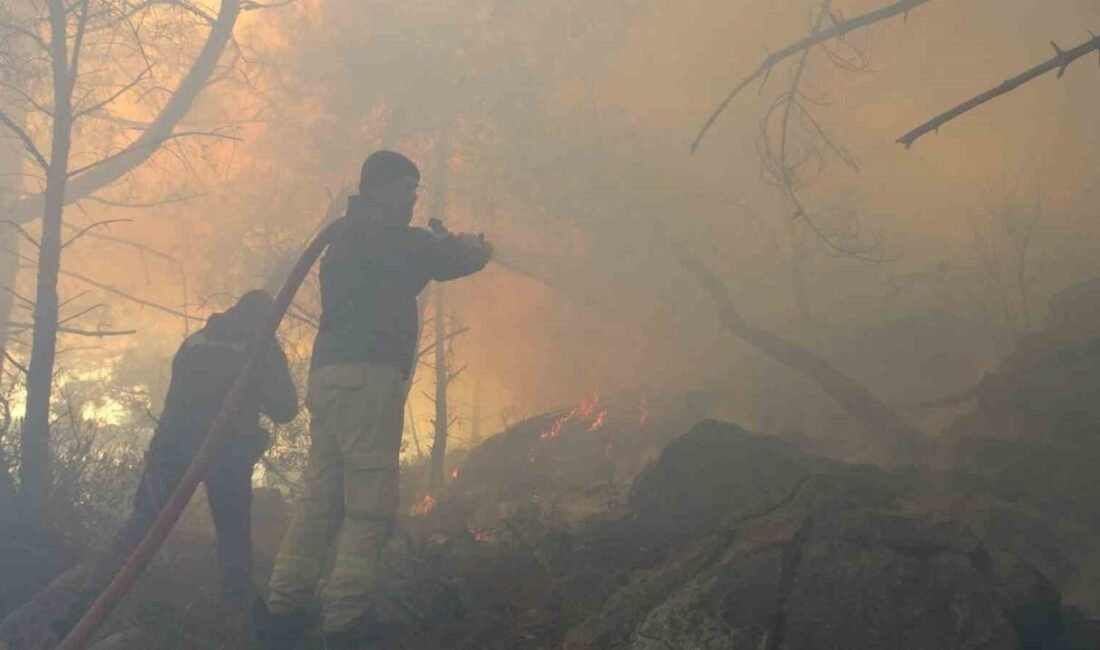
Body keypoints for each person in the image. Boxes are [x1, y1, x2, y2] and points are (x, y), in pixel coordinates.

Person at [265, 150, 492, 649]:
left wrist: (432, 245)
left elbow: (409, 268)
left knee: (320, 500)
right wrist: (475, 247)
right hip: (368, 382)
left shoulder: (348, 237)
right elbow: (452, 260)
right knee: (369, 506)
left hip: (330, 381)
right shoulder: (390, 237)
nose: (414, 197)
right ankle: (345, 622)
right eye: (408, 187)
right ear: (382, 188)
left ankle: (284, 609)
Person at [61, 290, 298, 635]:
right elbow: (286, 410)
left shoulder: (196, 341)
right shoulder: (261, 345)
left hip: (171, 448)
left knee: (140, 528)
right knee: (233, 538)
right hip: (225, 453)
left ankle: (79, 611)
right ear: (268, 318)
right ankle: (245, 623)